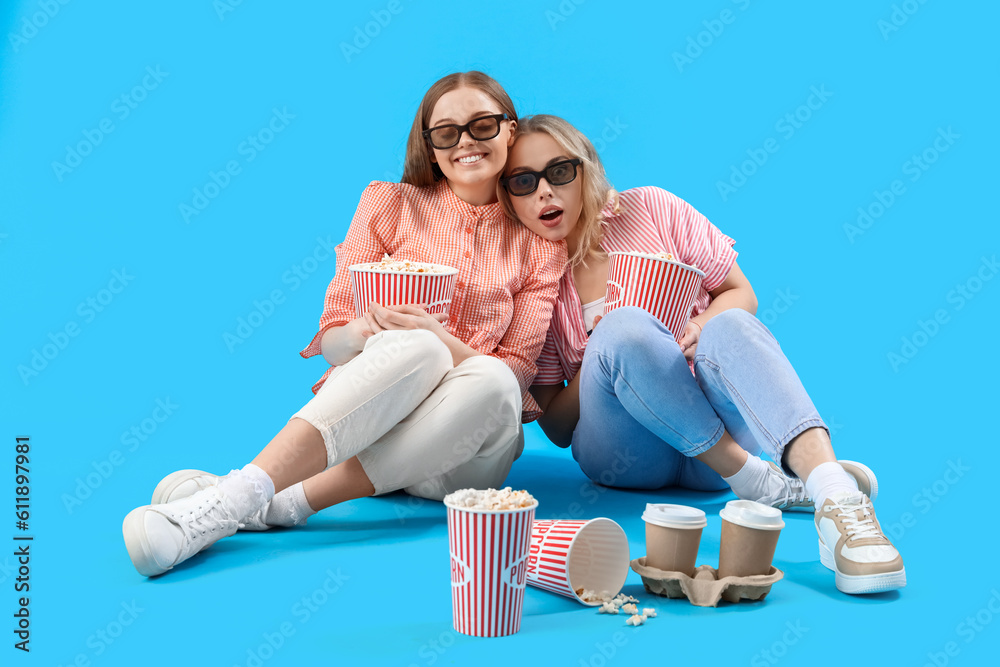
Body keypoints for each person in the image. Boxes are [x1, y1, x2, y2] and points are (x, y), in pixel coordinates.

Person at [121, 72, 567, 576]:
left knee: (489, 377)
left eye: (482, 125)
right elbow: (331, 337)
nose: (465, 141)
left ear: (510, 131)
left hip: (466, 455)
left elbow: (518, 374)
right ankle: (236, 502)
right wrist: (361, 333)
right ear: (430, 146)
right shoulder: (387, 203)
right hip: (367, 427)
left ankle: (264, 502)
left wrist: (442, 338)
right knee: (417, 348)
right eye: (446, 132)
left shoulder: (539, 244)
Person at [497, 114, 904, 595]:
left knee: (731, 322)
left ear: (585, 169)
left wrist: (699, 324)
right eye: (524, 182)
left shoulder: (650, 209)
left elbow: (741, 292)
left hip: (713, 455)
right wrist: (603, 357)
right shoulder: (529, 277)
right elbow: (558, 429)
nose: (545, 191)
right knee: (624, 328)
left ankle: (833, 496)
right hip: (626, 458)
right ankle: (767, 483)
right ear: (508, 198)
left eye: (559, 171)